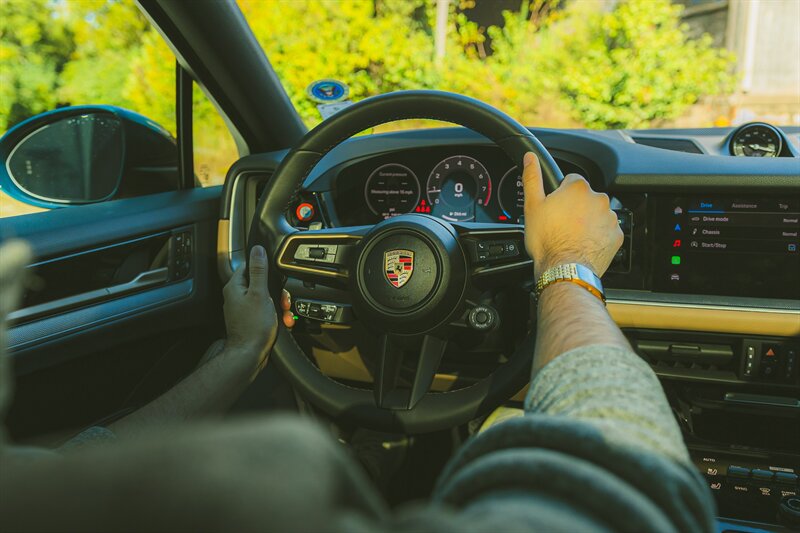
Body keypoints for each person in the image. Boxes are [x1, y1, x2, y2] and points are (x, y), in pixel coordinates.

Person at [0, 152, 715, 532]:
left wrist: (239, 353)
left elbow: (87, 459)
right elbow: (621, 489)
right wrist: (565, 263)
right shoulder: (263, 490)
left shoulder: (43, 499)